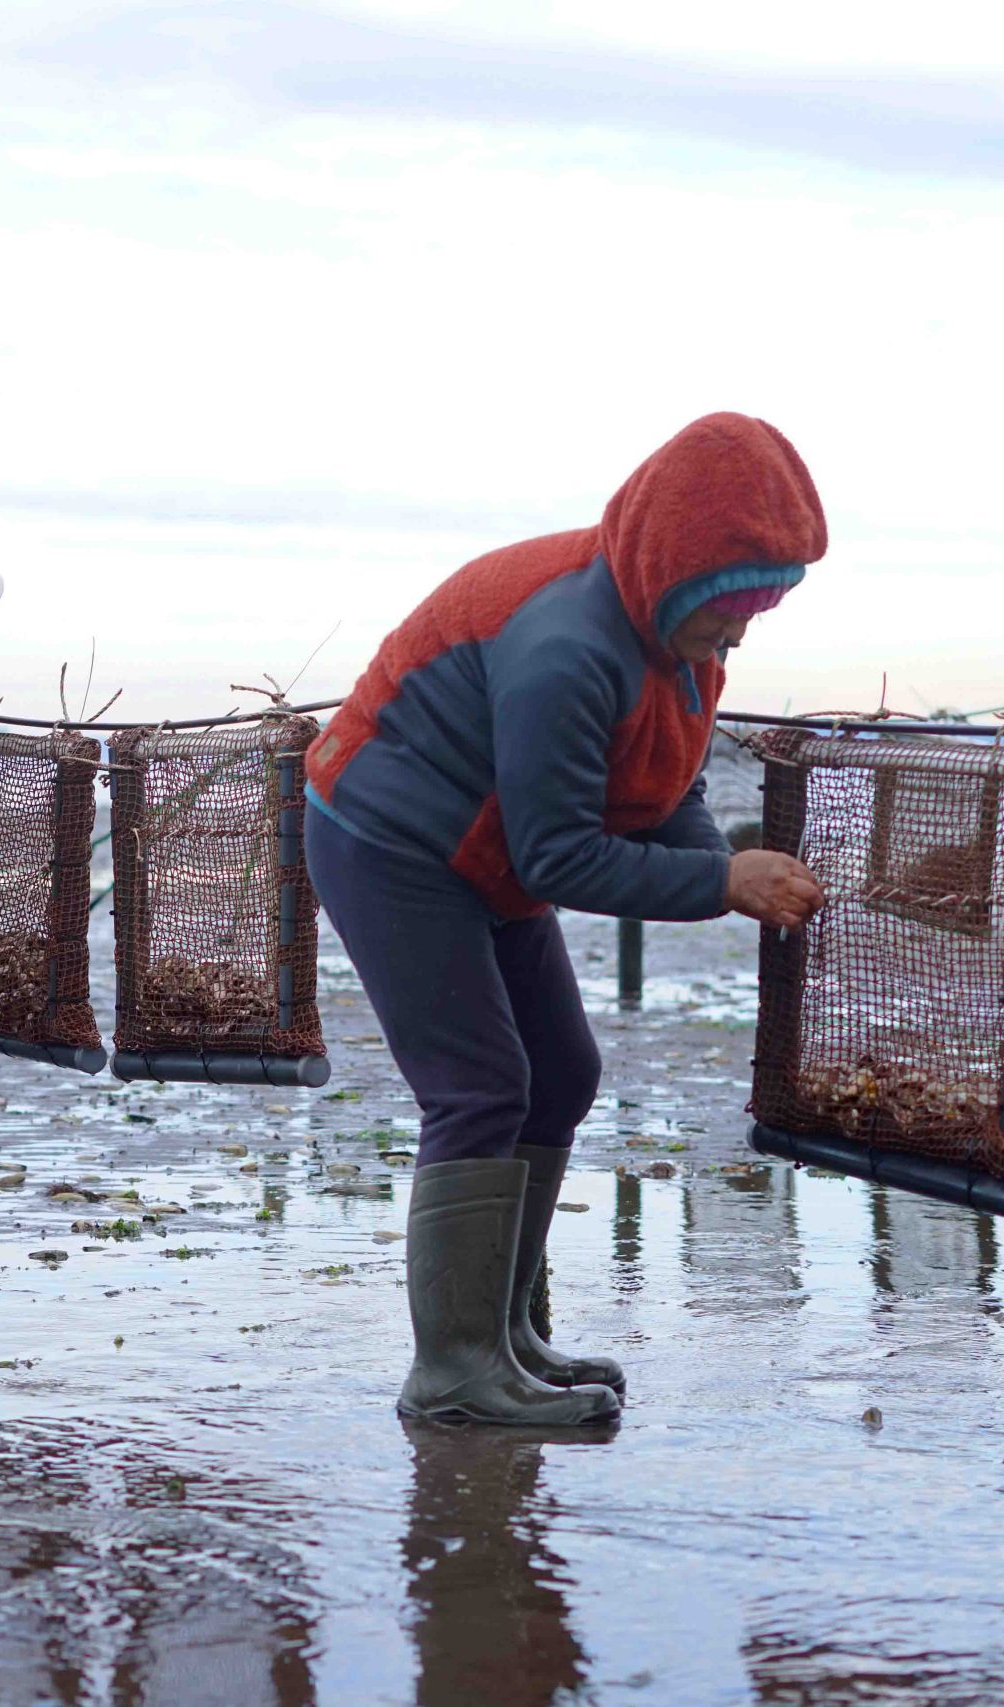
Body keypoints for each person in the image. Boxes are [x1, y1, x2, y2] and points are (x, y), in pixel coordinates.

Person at [304, 413, 829, 1424]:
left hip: (485, 849)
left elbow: (658, 785)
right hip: (390, 839)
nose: (737, 636)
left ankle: (508, 1334)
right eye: (724, 613)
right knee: (480, 1088)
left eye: (753, 615)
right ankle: (453, 1370)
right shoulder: (564, 646)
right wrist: (724, 886)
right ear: (670, 571)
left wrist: (718, 866)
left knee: (563, 1073)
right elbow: (560, 858)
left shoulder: (675, 639)